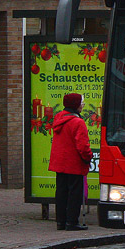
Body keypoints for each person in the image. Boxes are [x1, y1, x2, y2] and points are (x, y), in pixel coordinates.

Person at [49, 93, 93, 231]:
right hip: (73, 162)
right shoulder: (78, 122)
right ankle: (72, 221)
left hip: (59, 161)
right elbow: (82, 145)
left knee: (61, 192)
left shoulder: (59, 117)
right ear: (76, 104)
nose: (82, 105)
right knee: (75, 193)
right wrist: (88, 157)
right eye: (81, 103)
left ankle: (60, 221)